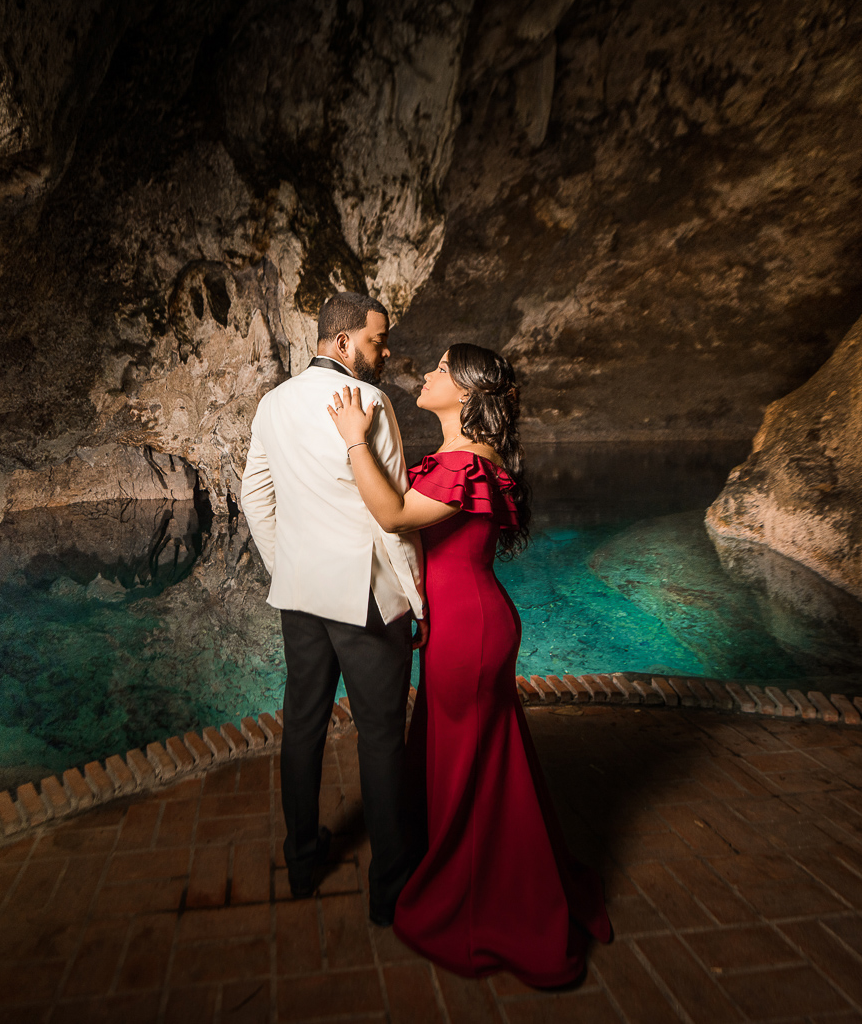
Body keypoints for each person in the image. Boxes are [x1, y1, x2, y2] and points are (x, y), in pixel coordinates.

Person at [326, 342, 613, 987]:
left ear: (464, 391)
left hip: (472, 631)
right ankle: (508, 880)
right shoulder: (457, 461)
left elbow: (395, 514)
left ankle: (489, 902)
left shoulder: (469, 466)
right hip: (463, 624)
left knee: (471, 765)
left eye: (439, 369)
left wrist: (355, 441)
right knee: (476, 758)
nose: (426, 374)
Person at [239, 291, 426, 925]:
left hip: (301, 597)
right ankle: (390, 888)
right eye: (377, 341)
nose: (385, 351)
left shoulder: (272, 404)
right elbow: (394, 515)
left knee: (303, 725)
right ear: (342, 343)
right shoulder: (370, 405)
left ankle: (300, 859)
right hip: (368, 601)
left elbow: (254, 498)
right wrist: (417, 601)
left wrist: (286, 567)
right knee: (380, 738)